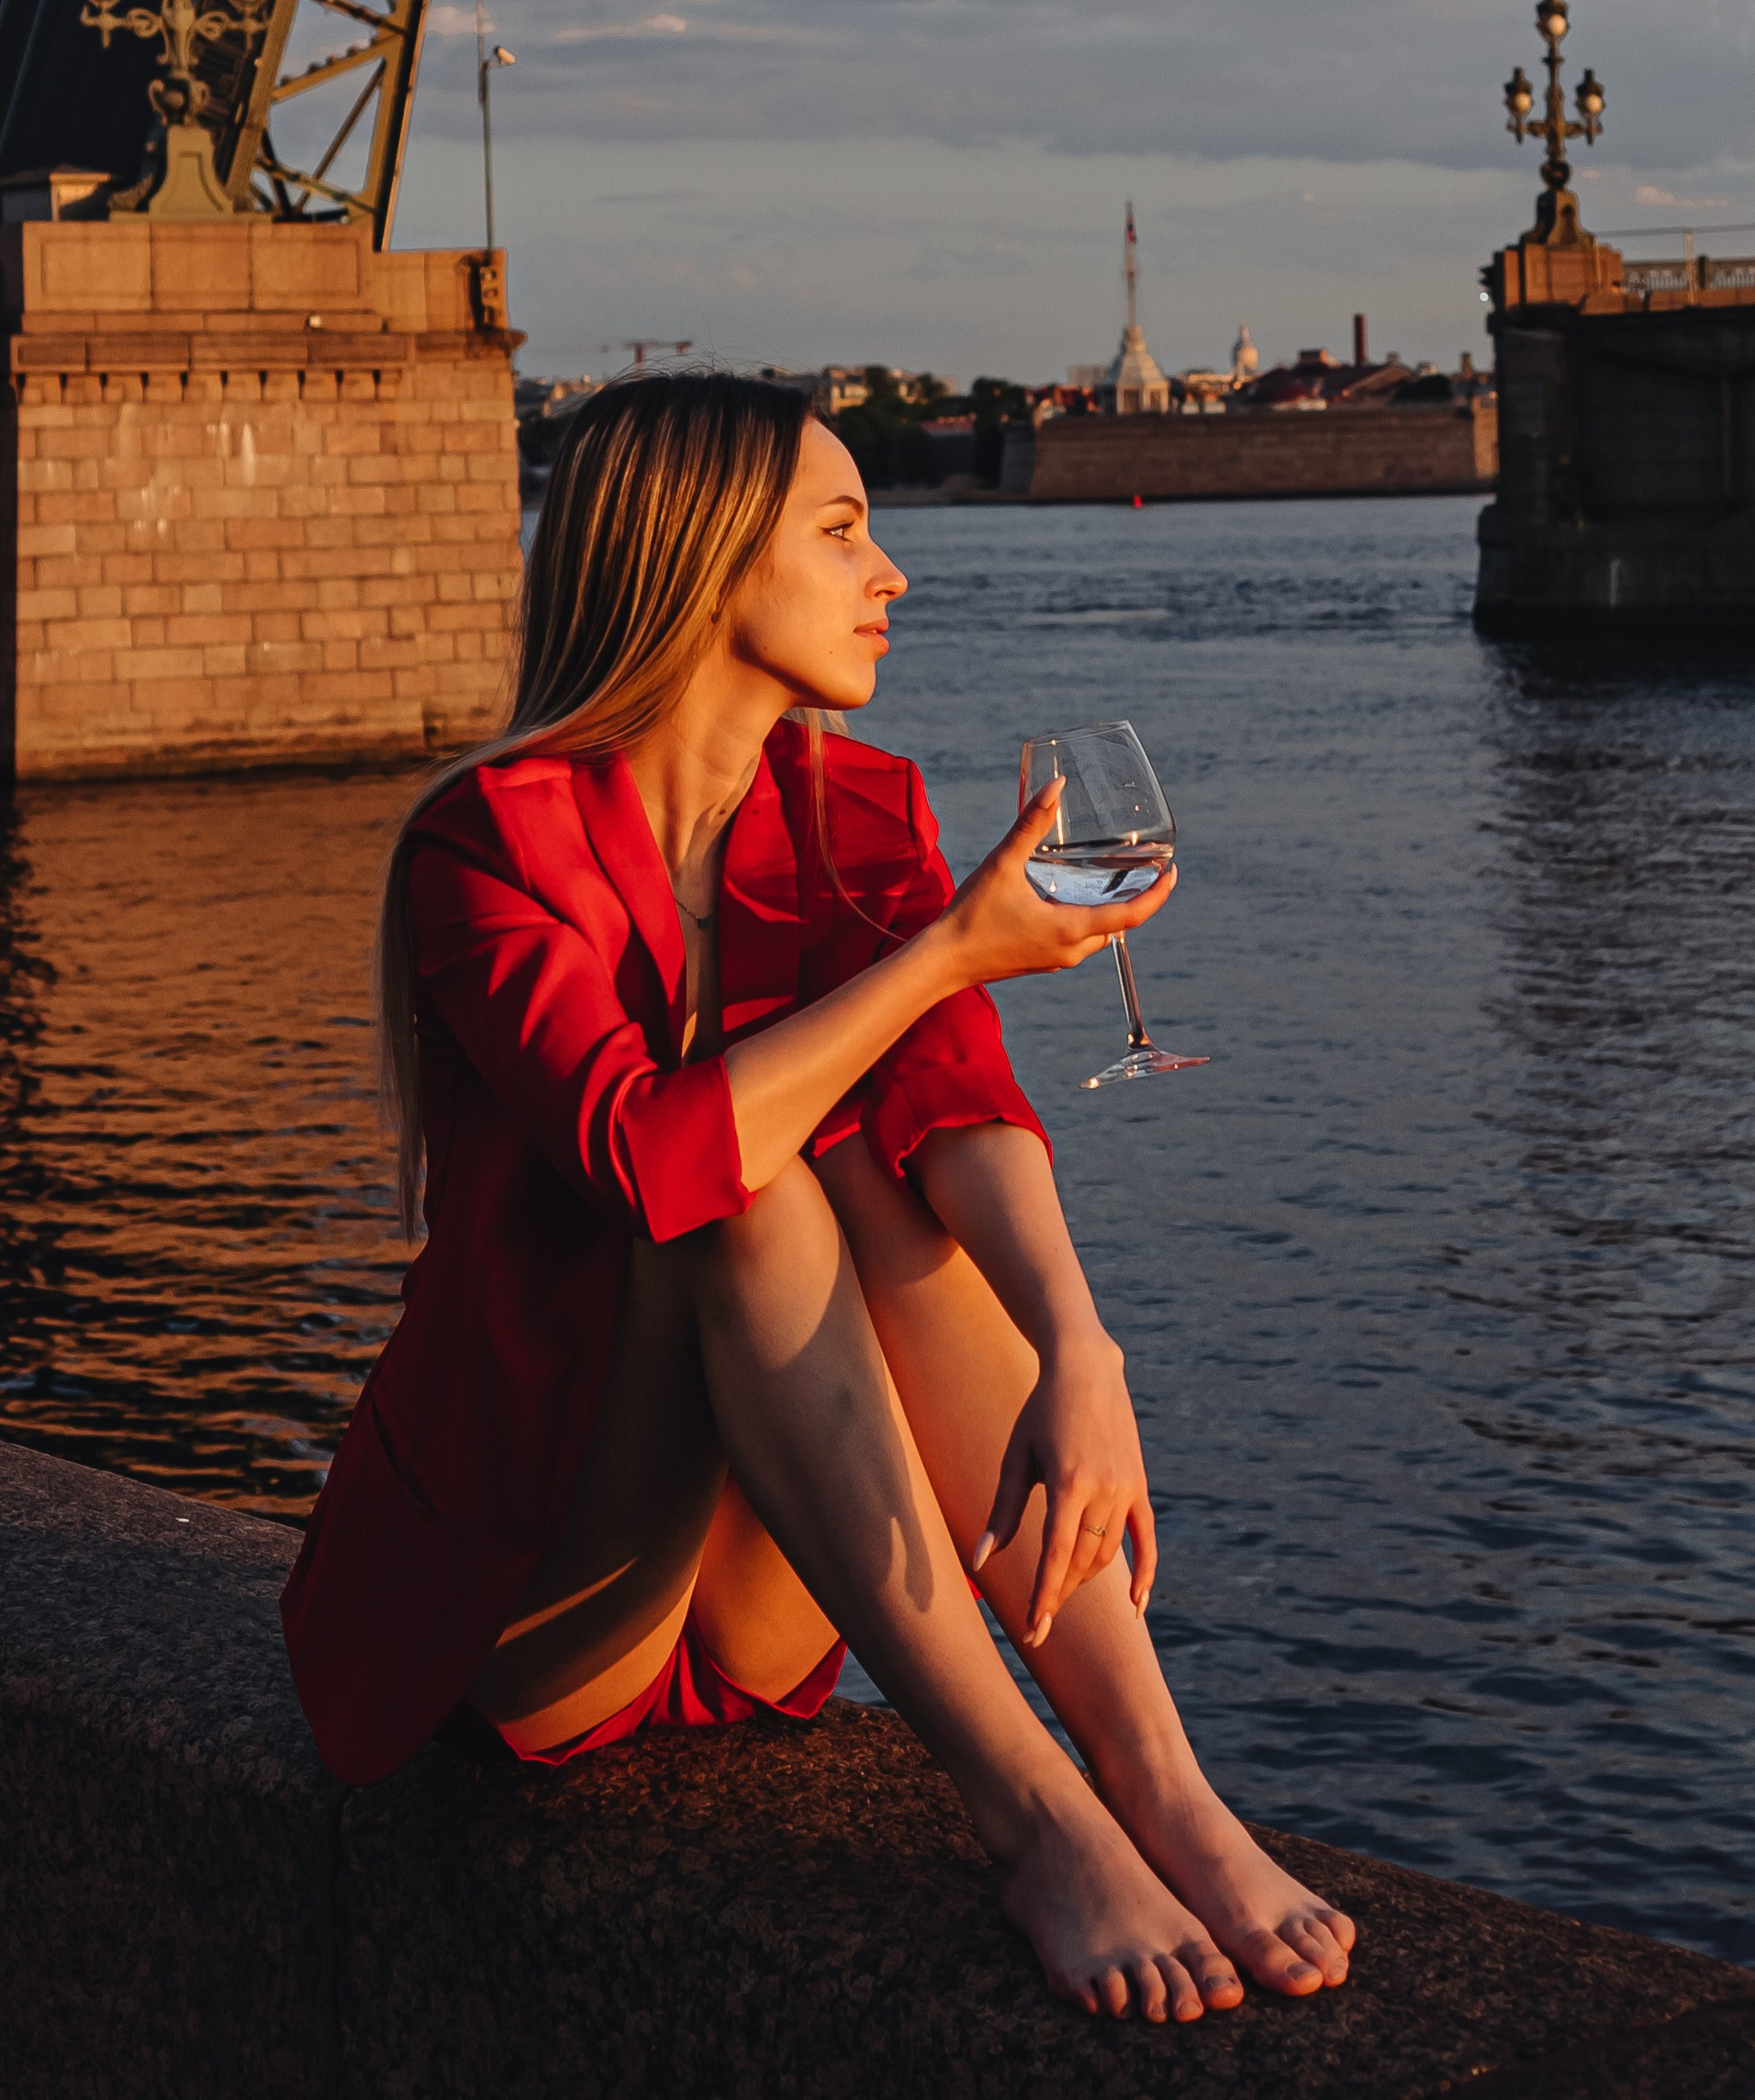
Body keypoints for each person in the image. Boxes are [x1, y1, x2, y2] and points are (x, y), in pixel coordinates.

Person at [282, 369, 1354, 2025]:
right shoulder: (487, 844)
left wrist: (1085, 1350)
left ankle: (1168, 1795)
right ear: (705, 565)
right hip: (548, 1595)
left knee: (871, 1164)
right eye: (844, 530)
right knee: (749, 1191)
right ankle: (1036, 1818)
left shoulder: (853, 813)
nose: (893, 574)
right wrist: (949, 951)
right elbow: (640, 1155)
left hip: (776, 1597)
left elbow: (959, 1103)